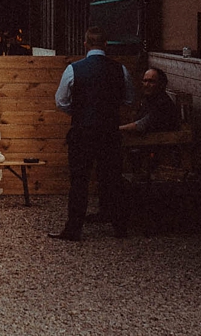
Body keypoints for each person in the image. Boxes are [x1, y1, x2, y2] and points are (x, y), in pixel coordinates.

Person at [49, 26, 136, 241]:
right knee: (112, 179)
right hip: (109, 131)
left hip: (82, 131)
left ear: (85, 44)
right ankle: (119, 227)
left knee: (79, 180)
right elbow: (129, 99)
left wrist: (79, 111)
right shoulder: (120, 69)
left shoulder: (73, 69)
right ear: (106, 45)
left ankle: (74, 229)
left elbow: (61, 102)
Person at [118, 67, 182, 134]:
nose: (146, 85)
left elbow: (140, 125)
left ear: (161, 84)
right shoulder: (148, 99)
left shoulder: (163, 104)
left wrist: (115, 129)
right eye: (145, 81)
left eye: (151, 81)